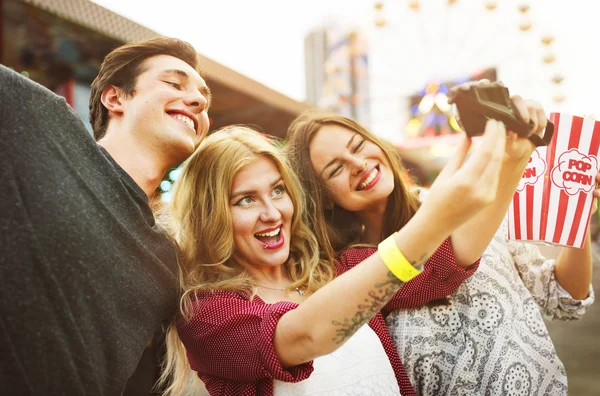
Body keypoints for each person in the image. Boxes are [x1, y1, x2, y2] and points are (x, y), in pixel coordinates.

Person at [285, 86, 596, 395]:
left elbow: (565, 297)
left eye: (357, 146)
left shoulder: (485, 202)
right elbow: (443, 260)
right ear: (323, 197)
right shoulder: (352, 270)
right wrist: (510, 157)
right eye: (336, 168)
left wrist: (577, 214)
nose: (358, 164)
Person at [160, 122, 508, 395]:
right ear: (209, 216)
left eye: (278, 191)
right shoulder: (207, 316)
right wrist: (435, 220)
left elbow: (448, 260)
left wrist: (513, 155)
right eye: (245, 200)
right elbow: (306, 336)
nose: (273, 212)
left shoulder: (335, 268)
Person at [0, 37, 211, 395]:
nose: (198, 100)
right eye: (174, 84)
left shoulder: (169, 260)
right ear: (115, 98)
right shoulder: (41, 122)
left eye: (204, 98)